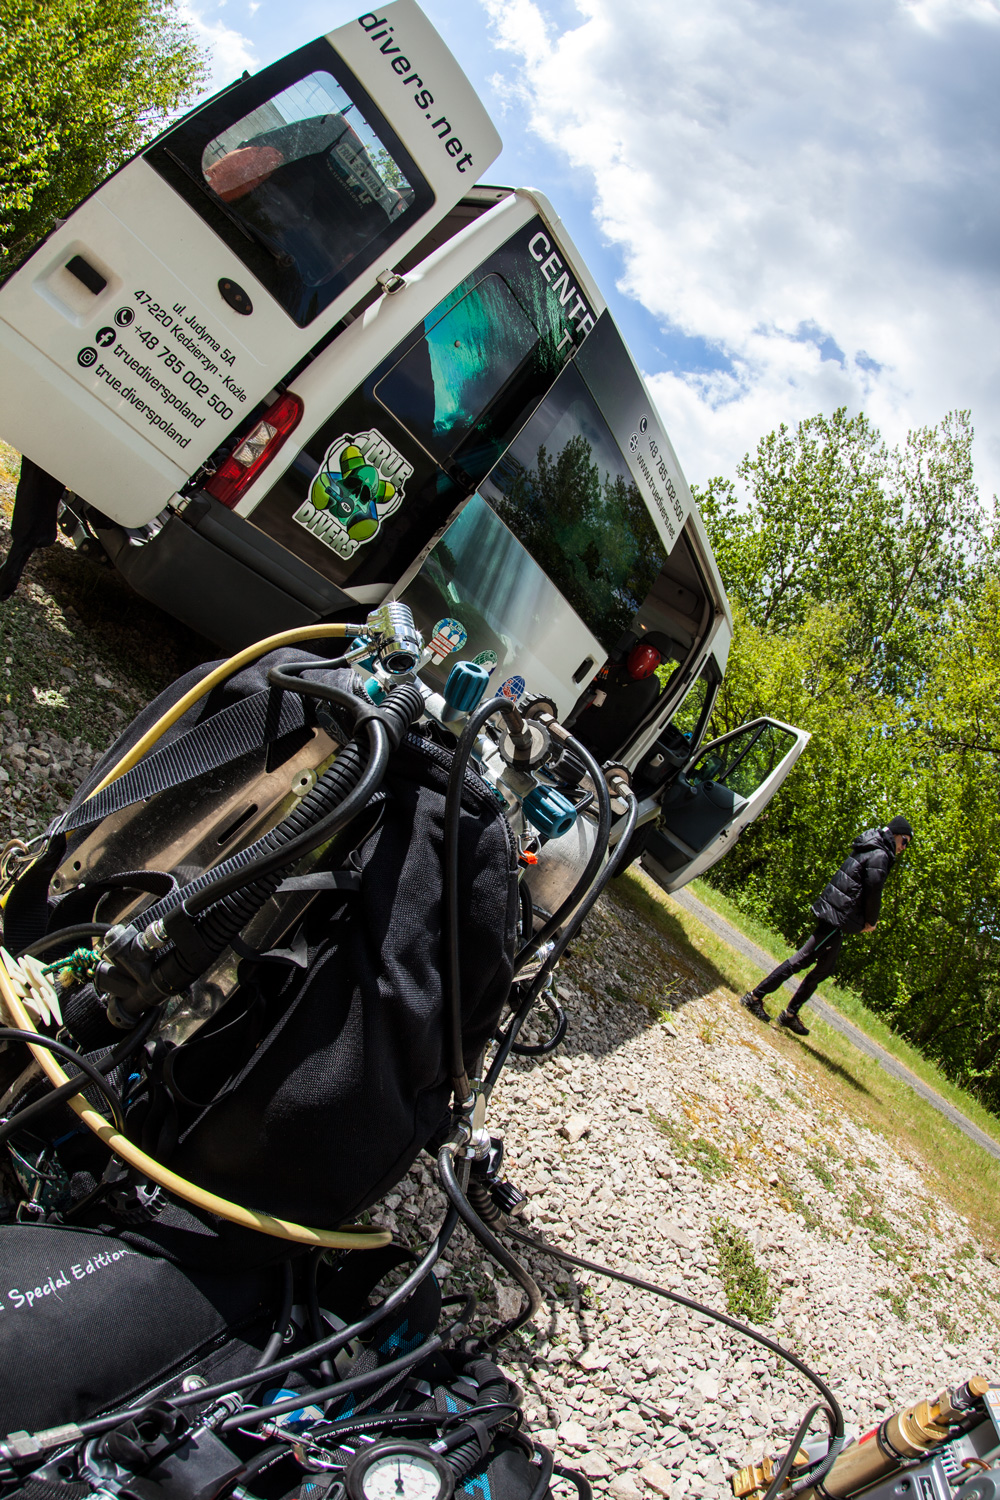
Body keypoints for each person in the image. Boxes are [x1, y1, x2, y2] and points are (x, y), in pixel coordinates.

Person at [741, 815, 914, 1035]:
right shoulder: (880, 854)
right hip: (838, 915)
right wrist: (871, 921)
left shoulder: (871, 845)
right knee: (801, 959)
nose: (904, 847)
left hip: (837, 911)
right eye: (904, 841)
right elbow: (874, 890)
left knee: (824, 968)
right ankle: (754, 997)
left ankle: (790, 1015)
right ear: (895, 834)